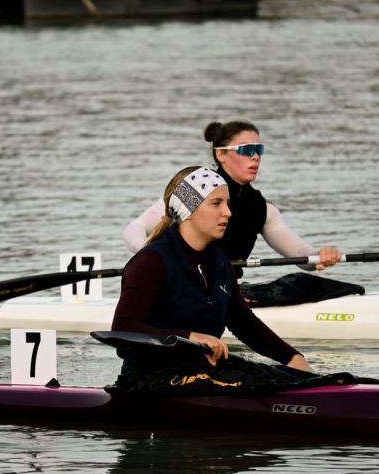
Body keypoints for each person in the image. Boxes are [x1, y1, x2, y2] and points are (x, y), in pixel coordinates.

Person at [109, 166, 342, 396]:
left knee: (305, 378)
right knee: (265, 385)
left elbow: (244, 323)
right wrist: (189, 337)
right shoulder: (150, 262)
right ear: (189, 208)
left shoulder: (219, 262)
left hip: (202, 371)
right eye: (216, 203)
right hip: (150, 379)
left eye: (227, 203)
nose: (228, 212)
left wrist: (292, 357)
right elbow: (124, 328)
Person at [123, 120, 342, 278]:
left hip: (224, 292)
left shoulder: (262, 209)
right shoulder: (194, 190)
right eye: (247, 150)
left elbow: (302, 257)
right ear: (221, 154)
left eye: (259, 149)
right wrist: (148, 253)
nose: (255, 156)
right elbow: (135, 227)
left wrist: (321, 255)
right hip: (177, 286)